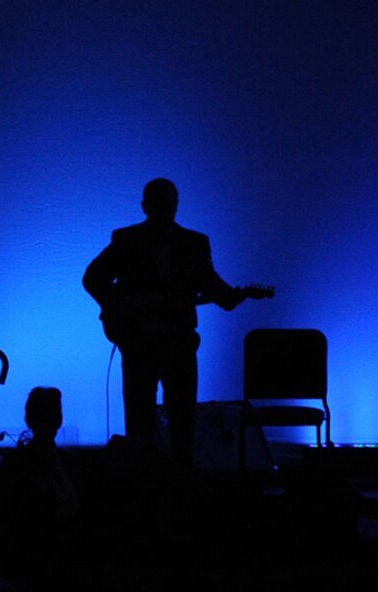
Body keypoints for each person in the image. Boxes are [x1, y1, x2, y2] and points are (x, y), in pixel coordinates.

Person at [82, 178, 254, 467]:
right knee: (144, 424)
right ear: (146, 206)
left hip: (174, 343)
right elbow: (93, 278)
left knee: (179, 423)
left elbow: (211, 284)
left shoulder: (193, 243)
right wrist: (123, 304)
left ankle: (169, 484)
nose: (164, 208)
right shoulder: (128, 240)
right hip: (143, 344)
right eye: (159, 202)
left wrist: (231, 297)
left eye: (167, 201)